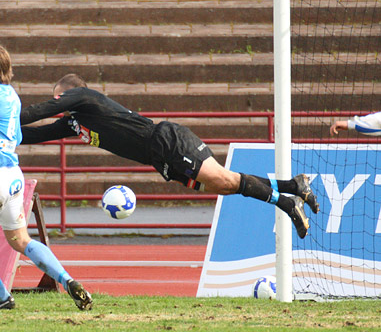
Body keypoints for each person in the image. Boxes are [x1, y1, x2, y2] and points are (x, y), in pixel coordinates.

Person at [20, 74, 321, 239]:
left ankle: (286, 203)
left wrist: (5, 113)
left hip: (167, 141)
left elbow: (38, 111)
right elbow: (34, 133)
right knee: (224, 186)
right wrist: (1, 133)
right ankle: (293, 186)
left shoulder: (86, 98)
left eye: (60, 97)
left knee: (226, 180)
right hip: (159, 157)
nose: (58, 103)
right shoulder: (74, 122)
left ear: (71, 94)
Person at [0, 22, 93, 311]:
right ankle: (67, 280)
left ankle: (1, 296)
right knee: (20, 239)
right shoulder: (12, 95)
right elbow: (17, 135)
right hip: (14, 176)